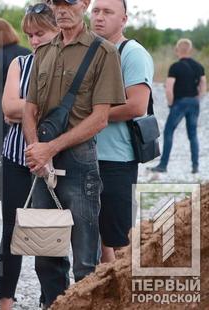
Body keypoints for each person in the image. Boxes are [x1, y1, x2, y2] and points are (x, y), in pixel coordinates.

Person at [22, 0, 126, 307]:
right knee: (46, 256)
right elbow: (30, 109)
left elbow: (100, 118)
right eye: (56, 3)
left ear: (84, 4)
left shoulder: (103, 52)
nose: (61, 9)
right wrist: (36, 150)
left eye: (68, 3)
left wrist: (50, 149)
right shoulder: (44, 51)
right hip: (42, 162)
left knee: (85, 261)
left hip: (80, 162)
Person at [0, 4, 58, 309]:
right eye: (30, 34)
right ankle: (5, 299)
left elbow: (73, 112)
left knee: (48, 233)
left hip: (53, 163)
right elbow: (7, 107)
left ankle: (50, 300)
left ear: (59, 29)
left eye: (40, 33)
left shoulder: (66, 66)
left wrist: (24, 109)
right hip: (16, 160)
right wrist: (42, 108)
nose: (33, 40)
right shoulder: (19, 63)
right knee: (12, 232)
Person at [91, 0, 154, 263]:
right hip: (85, 156)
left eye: (108, 12)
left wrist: (89, 116)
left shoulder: (132, 53)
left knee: (120, 241)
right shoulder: (90, 52)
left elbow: (137, 105)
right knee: (94, 238)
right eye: (95, 11)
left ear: (124, 19)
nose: (99, 17)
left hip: (117, 159)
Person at [150, 38, 206, 174]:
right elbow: (203, 84)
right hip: (194, 102)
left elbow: (169, 88)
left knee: (169, 132)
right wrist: (198, 98)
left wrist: (170, 103)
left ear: (177, 50)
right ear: (190, 51)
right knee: (192, 135)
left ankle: (163, 165)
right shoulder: (199, 66)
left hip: (179, 103)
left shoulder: (175, 67)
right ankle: (195, 166)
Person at [0, 18, 31, 165]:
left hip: (1, 108)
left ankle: (2, 185)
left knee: (1, 154)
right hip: (26, 105)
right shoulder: (26, 53)